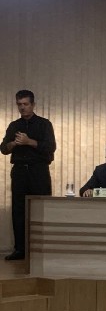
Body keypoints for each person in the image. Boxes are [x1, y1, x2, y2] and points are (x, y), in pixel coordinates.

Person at [1, 90, 56, 261]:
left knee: (41, 209)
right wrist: (13, 144)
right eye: (19, 104)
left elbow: (50, 147)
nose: (22, 107)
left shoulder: (44, 124)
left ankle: (42, 248)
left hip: (38, 171)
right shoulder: (14, 125)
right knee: (18, 210)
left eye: (25, 104)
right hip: (19, 171)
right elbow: (3, 148)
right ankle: (20, 249)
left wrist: (29, 142)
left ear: (33, 105)